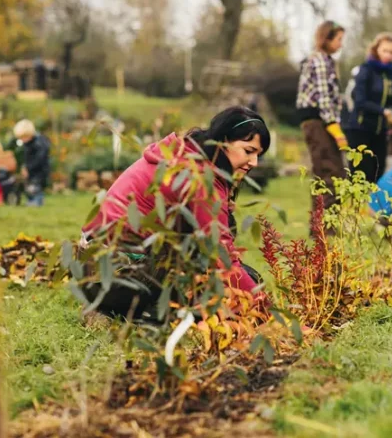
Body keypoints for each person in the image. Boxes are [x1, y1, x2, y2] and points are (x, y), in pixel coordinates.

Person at [81, 106, 270, 318]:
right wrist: (268, 313)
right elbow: (220, 257)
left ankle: (155, 308)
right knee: (224, 296)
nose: (254, 162)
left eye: (258, 155)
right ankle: (115, 307)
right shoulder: (199, 176)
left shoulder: (190, 154)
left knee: (247, 281)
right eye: (248, 151)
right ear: (223, 141)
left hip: (115, 256)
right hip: (112, 266)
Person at [297, 20, 347, 213]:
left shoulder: (327, 61)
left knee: (334, 171)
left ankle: (326, 225)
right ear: (327, 38)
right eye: (339, 39)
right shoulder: (319, 60)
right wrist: (333, 124)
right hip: (318, 121)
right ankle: (325, 229)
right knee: (329, 172)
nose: (341, 44)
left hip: (322, 120)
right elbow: (323, 96)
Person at [344, 32, 392, 183]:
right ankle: (355, 206)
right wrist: (383, 111)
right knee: (359, 174)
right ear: (376, 49)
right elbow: (360, 101)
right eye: (385, 50)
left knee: (378, 172)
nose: (388, 55)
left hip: (380, 131)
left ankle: (371, 206)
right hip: (360, 129)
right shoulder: (365, 71)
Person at [13, 119, 51, 207]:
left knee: (35, 187)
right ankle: (33, 200)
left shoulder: (39, 143)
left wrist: (28, 167)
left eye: (23, 137)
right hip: (32, 170)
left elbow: (40, 158)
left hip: (40, 171)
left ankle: (37, 201)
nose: (22, 140)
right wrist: (25, 166)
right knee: (29, 187)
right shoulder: (28, 143)